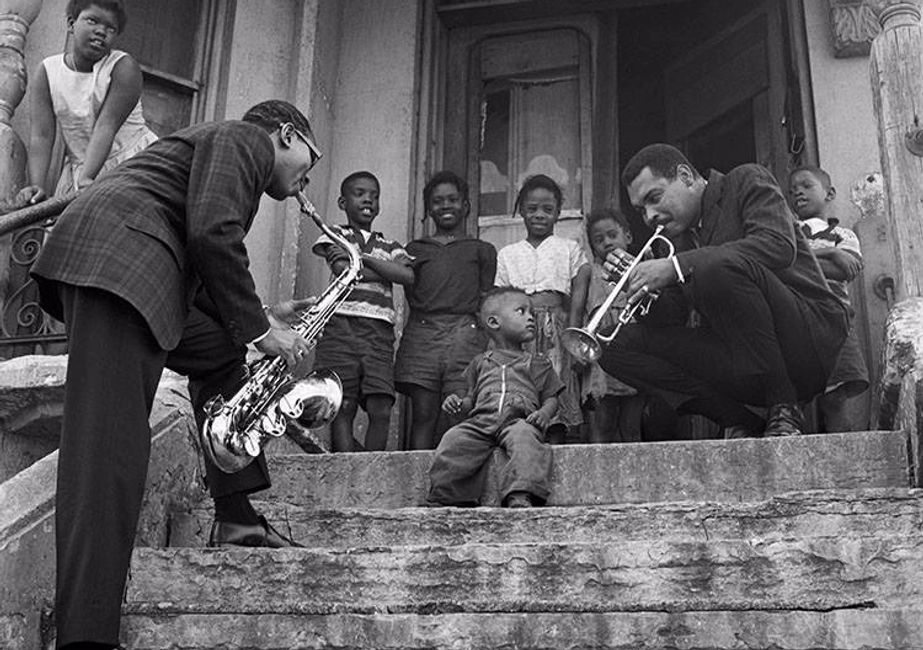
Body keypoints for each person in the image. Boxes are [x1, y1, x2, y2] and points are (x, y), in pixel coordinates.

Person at [30, 99, 322, 650]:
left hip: (145, 270)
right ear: (287, 135)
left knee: (221, 356)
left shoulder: (227, 155)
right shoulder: (246, 140)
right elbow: (213, 233)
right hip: (120, 263)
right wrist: (264, 332)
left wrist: (258, 317)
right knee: (110, 446)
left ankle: (235, 514)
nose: (310, 176)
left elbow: (204, 245)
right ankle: (85, 637)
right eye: (312, 156)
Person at [599, 143, 849, 438]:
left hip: (806, 344)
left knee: (715, 266)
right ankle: (739, 421)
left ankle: (784, 407)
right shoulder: (677, 236)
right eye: (642, 210)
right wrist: (640, 289)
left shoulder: (745, 180)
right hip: (743, 361)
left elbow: (778, 246)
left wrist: (676, 266)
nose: (650, 216)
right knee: (608, 340)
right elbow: (674, 318)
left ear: (685, 176)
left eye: (655, 198)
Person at [427, 287, 562, 508]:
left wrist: (544, 414)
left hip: (520, 420)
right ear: (493, 322)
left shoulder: (537, 363)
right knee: (454, 439)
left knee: (525, 441)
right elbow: (471, 399)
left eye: (532, 313)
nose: (530, 318)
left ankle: (521, 492)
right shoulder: (480, 362)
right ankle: (446, 494)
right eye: (521, 311)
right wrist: (459, 404)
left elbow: (551, 398)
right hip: (481, 421)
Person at [311, 171, 413, 452]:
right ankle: (346, 468)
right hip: (339, 328)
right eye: (360, 193)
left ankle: (373, 466)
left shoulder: (390, 245)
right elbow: (343, 270)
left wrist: (362, 258)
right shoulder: (334, 234)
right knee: (342, 403)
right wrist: (382, 269)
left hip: (378, 333)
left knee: (381, 406)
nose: (368, 198)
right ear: (343, 202)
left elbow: (406, 275)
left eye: (374, 195)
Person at [17, 0, 158, 204]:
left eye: (111, 28)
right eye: (92, 20)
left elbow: (106, 125)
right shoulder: (48, 71)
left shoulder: (123, 67)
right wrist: (37, 185)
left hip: (129, 161)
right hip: (81, 167)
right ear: (71, 24)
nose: (101, 31)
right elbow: (42, 135)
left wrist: (86, 178)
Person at [395, 170, 497, 449]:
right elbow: (412, 292)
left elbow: (486, 295)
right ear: (429, 209)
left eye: (453, 199)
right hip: (423, 334)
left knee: (462, 410)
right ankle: (418, 483)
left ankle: (458, 482)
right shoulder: (415, 249)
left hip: (466, 334)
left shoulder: (482, 249)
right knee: (424, 413)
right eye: (438, 201)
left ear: (466, 206)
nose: (445, 206)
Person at [495, 174, 588, 443]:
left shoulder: (570, 249)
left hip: (557, 331)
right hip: (520, 330)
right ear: (521, 210)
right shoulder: (508, 254)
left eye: (548, 209)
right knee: (522, 385)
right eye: (532, 208)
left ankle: (556, 443)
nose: (539, 215)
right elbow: (502, 300)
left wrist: (573, 336)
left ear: (558, 213)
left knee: (556, 385)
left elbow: (578, 297)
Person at [789, 165, 869, 432]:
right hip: (794, 317)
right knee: (790, 399)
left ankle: (847, 458)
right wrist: (829, 254)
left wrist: (801, 261)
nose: (798, 191)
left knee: (834, 399)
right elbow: (777, 262)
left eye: (806, 185)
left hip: (835, 320)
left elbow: (845, 270)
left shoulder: (843, 235)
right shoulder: (787, 232)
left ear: (829, 193)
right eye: (793, 190)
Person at [578, 208, 645, 443]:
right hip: (599, 352)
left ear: (627, 236)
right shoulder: (588, 272)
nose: (606, 242)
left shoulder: (643, 267)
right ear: (592, 246)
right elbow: (576, 314)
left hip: (633, 346)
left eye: (612, 235)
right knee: (603, 422)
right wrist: (577, 351)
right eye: (599, 239)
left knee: (632, 424)